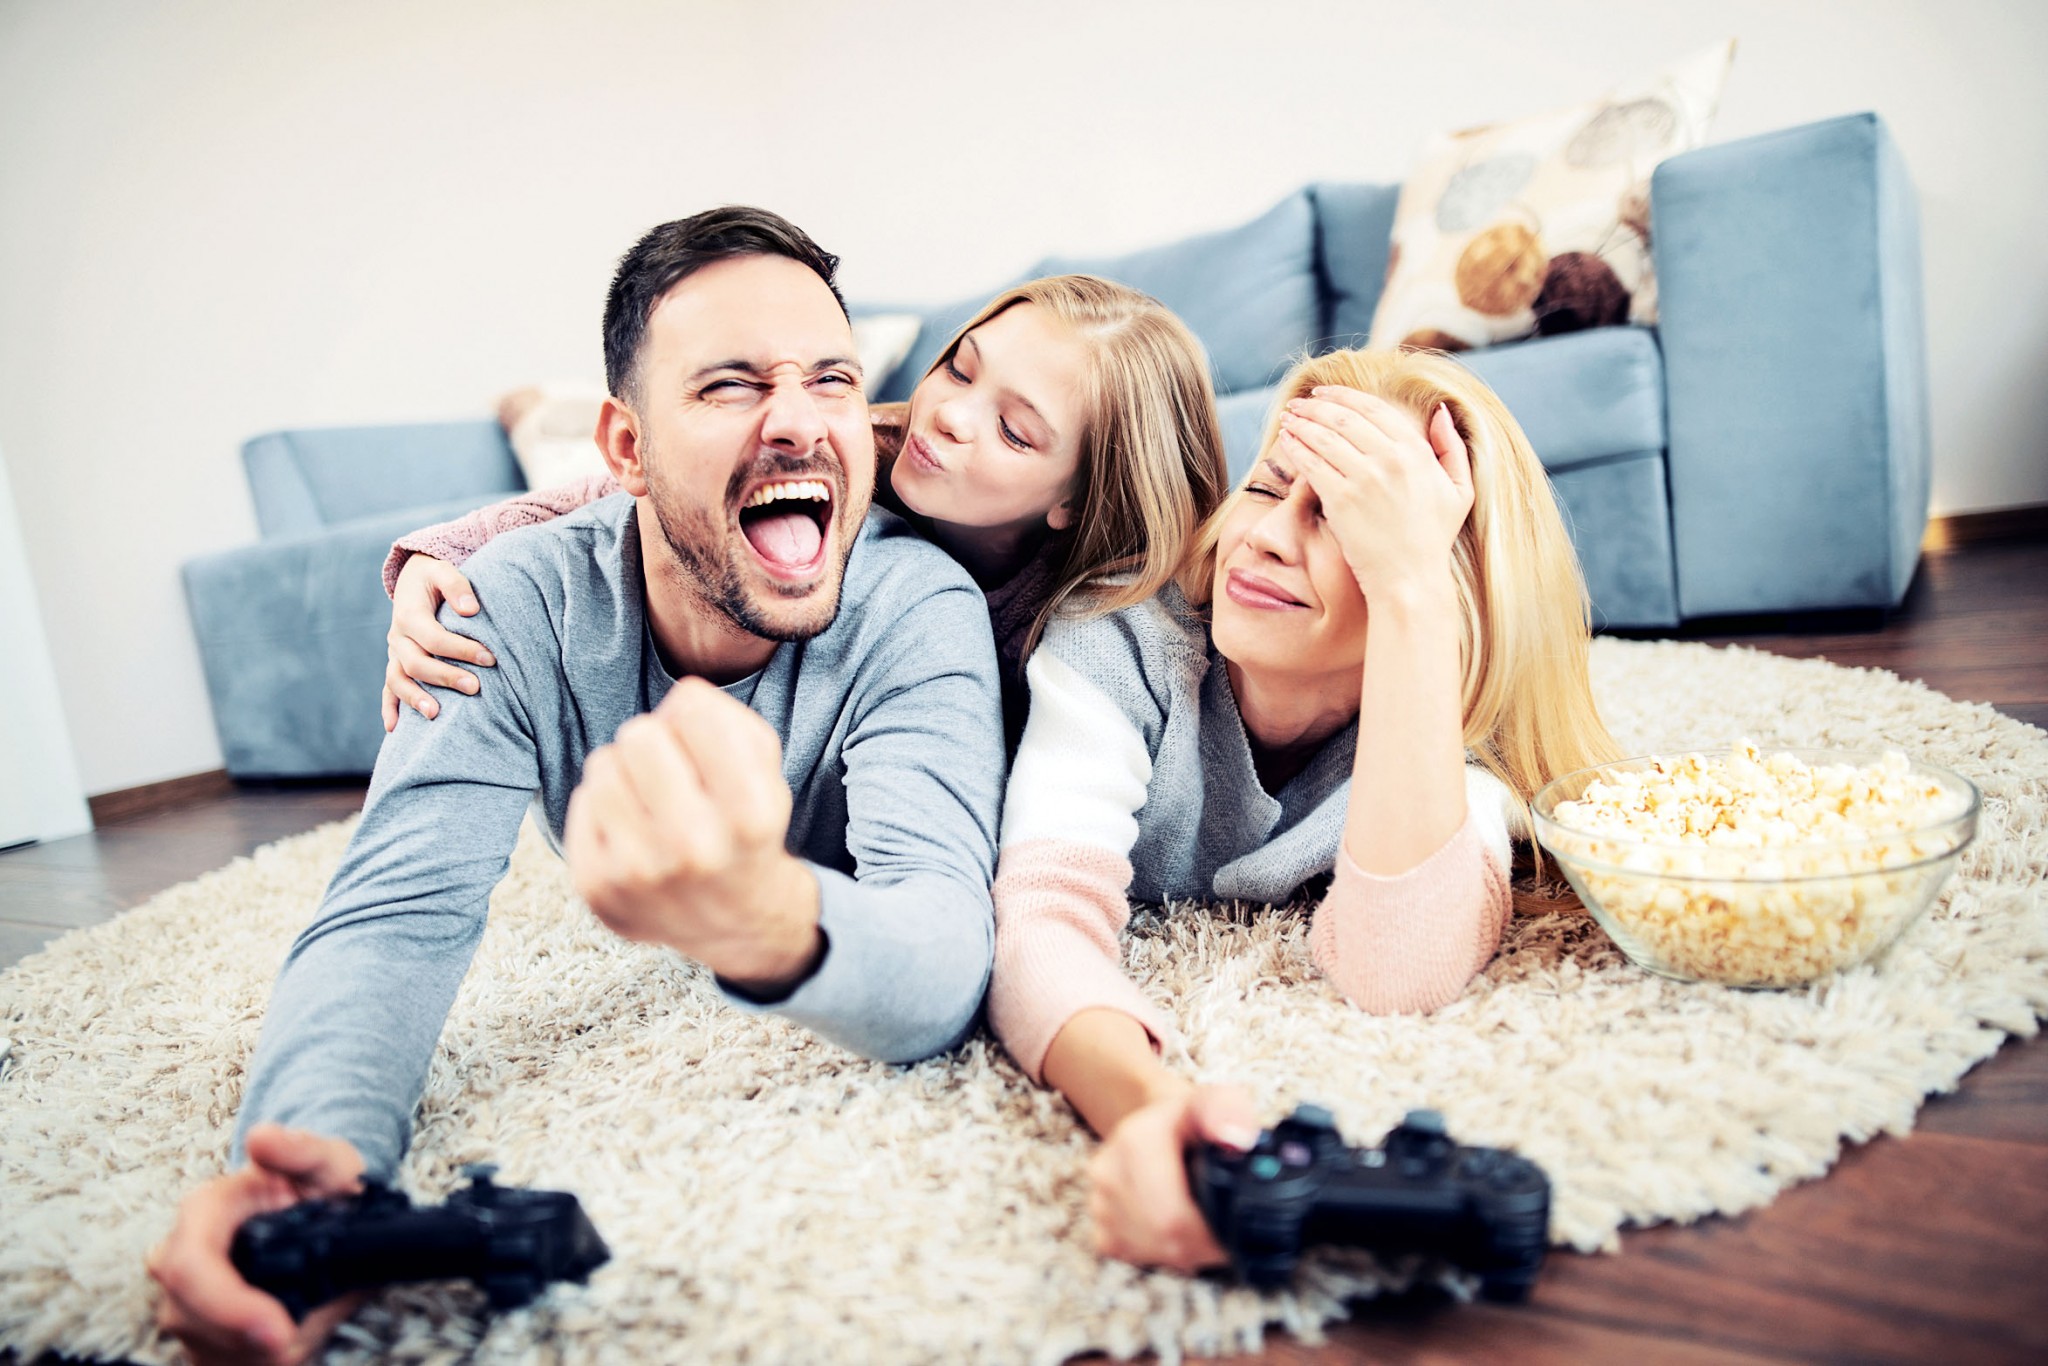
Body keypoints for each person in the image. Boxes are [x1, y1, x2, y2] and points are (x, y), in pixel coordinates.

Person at [148, 206, 1013, 1363]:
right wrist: (310, 1177)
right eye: (729, 385)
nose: (797, 421)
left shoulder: (918, 606)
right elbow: (396, 917)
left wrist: (764, 918)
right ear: (625, 448)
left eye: (831, 379)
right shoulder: (500, 603)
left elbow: (947, 957)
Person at [984, 346, 1619, 1273]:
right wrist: (1150, 1108)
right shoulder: (1121, 639)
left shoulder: (1449, 749)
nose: (1270, 538)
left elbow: (1399, 975)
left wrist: (1410, 591)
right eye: (1267, 488)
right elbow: (1037, 924)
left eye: (1345, 520)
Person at [377, 273, 1232, 750]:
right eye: (960, 369)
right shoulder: (875, 449)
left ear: (1076, 499)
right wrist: (434, 558)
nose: (949, 415)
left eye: (1013, 430)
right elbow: (625, 495)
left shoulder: (1097, 621)